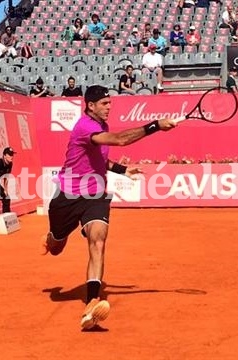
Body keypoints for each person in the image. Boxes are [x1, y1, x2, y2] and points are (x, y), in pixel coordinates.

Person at [42, 85, 178, 330]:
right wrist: (155, 125)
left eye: (110, 103)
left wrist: (122, 170)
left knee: (98, 239)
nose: (109, 108)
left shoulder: (101, 126)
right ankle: (53, 236)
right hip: (68, 195)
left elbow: (101, 159)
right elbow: (120, 140)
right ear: (90, 106)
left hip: (95, 194)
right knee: (55, 248)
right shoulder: (85, 126)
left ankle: (92, 302)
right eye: (104, 103)